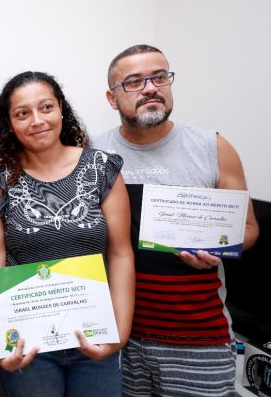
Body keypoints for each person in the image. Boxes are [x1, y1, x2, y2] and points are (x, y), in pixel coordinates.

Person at [92, 44, 260, 396]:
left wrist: (217, 248)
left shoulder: (213, 147)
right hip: (119, 335)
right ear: (112, 97)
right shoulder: (92, 154)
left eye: (160, 77)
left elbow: (248, 230)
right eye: (134, 82)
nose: (151, 87)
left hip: (200, 338)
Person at [0, 71, 135, 397]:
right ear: (10, 122)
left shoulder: (102, 168)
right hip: (27, 342)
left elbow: (120, 254)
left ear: (61, 109)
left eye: (46, 107)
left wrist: (118, 333)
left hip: (94, 337)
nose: (37, 120)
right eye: (23, 113)